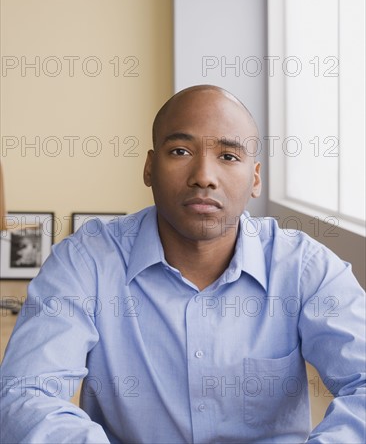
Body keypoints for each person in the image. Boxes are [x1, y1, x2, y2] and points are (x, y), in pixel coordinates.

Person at [1, 85, 365, 443]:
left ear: (255, 178)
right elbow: (24, 395)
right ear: (148, 168)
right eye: (180, 150)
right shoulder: (86, 261)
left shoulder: (305, 268)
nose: (203, 176)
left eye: (228, 157)